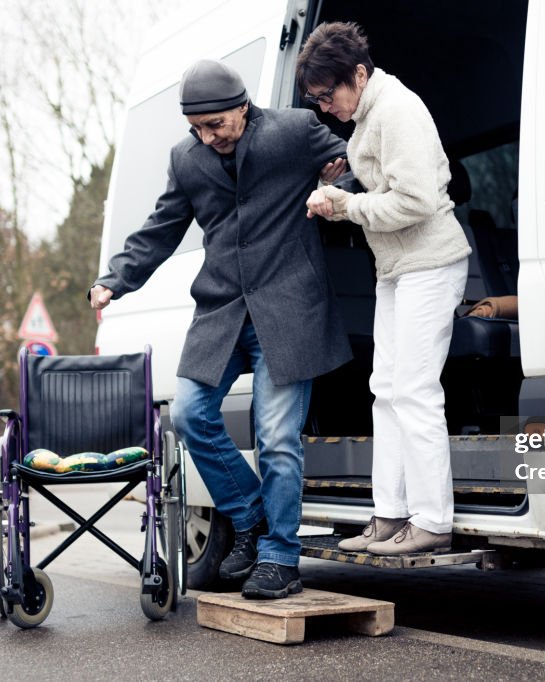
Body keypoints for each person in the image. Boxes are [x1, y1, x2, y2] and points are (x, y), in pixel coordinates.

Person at [89, 59, 352, 599]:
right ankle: (250, 517)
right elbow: (162, 227)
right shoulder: (188, 159)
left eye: (217, 126)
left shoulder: (293, 132)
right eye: (198, 129)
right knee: (189, 413)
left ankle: (280, 557)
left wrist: (337, 179)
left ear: (242, 107)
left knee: (277, 437)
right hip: (221, 312)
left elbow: (354, 162)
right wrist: (114, 278)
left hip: (288, 309)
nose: (208, 139)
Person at [297, 22, 471, 556]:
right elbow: (384, 188)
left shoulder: (395, 110)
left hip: (430, 262)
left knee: (416, 391)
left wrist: (346, 206)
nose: (327, 108)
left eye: (330, 94)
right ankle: (390, 514)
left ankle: (432, 520)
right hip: (397, 269)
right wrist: (340, 189)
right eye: (317, 100)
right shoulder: (367, 117)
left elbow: (416, 200)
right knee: (386, 390)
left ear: (359, 73)